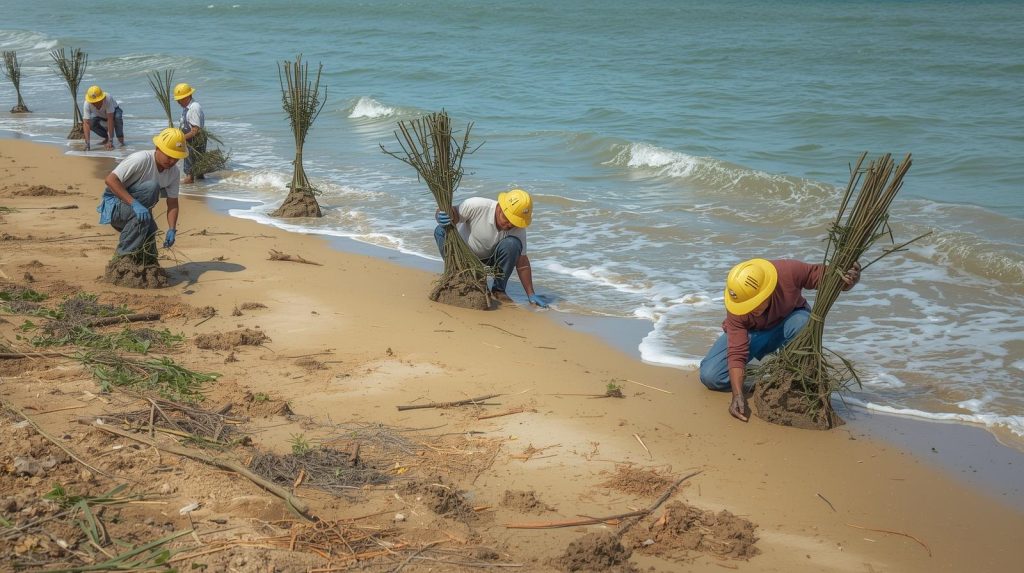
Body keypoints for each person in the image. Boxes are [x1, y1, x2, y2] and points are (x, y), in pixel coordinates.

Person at [698, 258, 860, 422]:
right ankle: (755, 375)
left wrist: (847, 280)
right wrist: (737, 395)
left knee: (804, 322)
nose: (749, 310)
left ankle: (792, 376)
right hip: (753, 335)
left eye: (754, 304)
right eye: (745, 306)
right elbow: (736, 351)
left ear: (767, 291)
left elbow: (831, 279)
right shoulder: (737, 301)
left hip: (787, 325)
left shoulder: (788, 271)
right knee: (711, 376)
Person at [433, 189, 548, 307]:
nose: (510, 225)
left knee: (513, 244)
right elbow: (454, 215)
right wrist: (439, 214)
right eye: (508, 220)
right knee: (441, 230)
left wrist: (531, 293)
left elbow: (522, 262)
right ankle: (456, 273)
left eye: (514, 223)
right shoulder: (477, 205)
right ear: (500, 207)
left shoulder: (518, 228)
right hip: (462, 254)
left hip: (491, 259)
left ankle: (499, 289)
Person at [96, 128, 188, 263]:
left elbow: (173, 203)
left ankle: (145, 263)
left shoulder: (173, 173)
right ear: (157, 148)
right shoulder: (141, 159)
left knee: (151, 231)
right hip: (115, 207)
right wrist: (134, 204)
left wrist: (172, 229)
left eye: (176, 158)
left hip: (140, 211)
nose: (172, 161)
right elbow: (110, 180)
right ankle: (121, 260)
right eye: (169, 156)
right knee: (152, 189)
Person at [174, 82, 205, 184]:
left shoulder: (194, 108)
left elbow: (195, 131)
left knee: (191, 172)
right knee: (198, 168)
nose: (178, 102)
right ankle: (200, 189)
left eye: (180, 99)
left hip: (194, 141)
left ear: (188, 96)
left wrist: (180, 138)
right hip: (190, 140)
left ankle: (188, 182)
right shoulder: (187, 108)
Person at [82, 85, 124, 151]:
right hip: (99, 115)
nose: (96, 104)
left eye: (98, 101)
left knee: (117, 118)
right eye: (93, 103)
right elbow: (86, 123)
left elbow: (110, 119)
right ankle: (106, 137)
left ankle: (121, 142)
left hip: (114, 112)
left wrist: (111, 141)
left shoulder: (108, 98)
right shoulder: (87, 104)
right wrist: (87, 144)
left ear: (102, 98)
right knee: (91, 124)